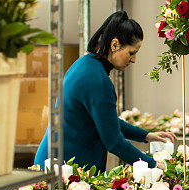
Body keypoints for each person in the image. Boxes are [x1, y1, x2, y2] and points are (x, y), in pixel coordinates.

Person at [35, 11, 175, 171]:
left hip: (55, 162)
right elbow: (114, 142)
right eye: (131, 52)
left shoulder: (85, 63)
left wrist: (145, 135)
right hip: (63, 169)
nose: (134, 59)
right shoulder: (98, 81)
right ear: (115, 45)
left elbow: (107, 121)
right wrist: (155, 166)